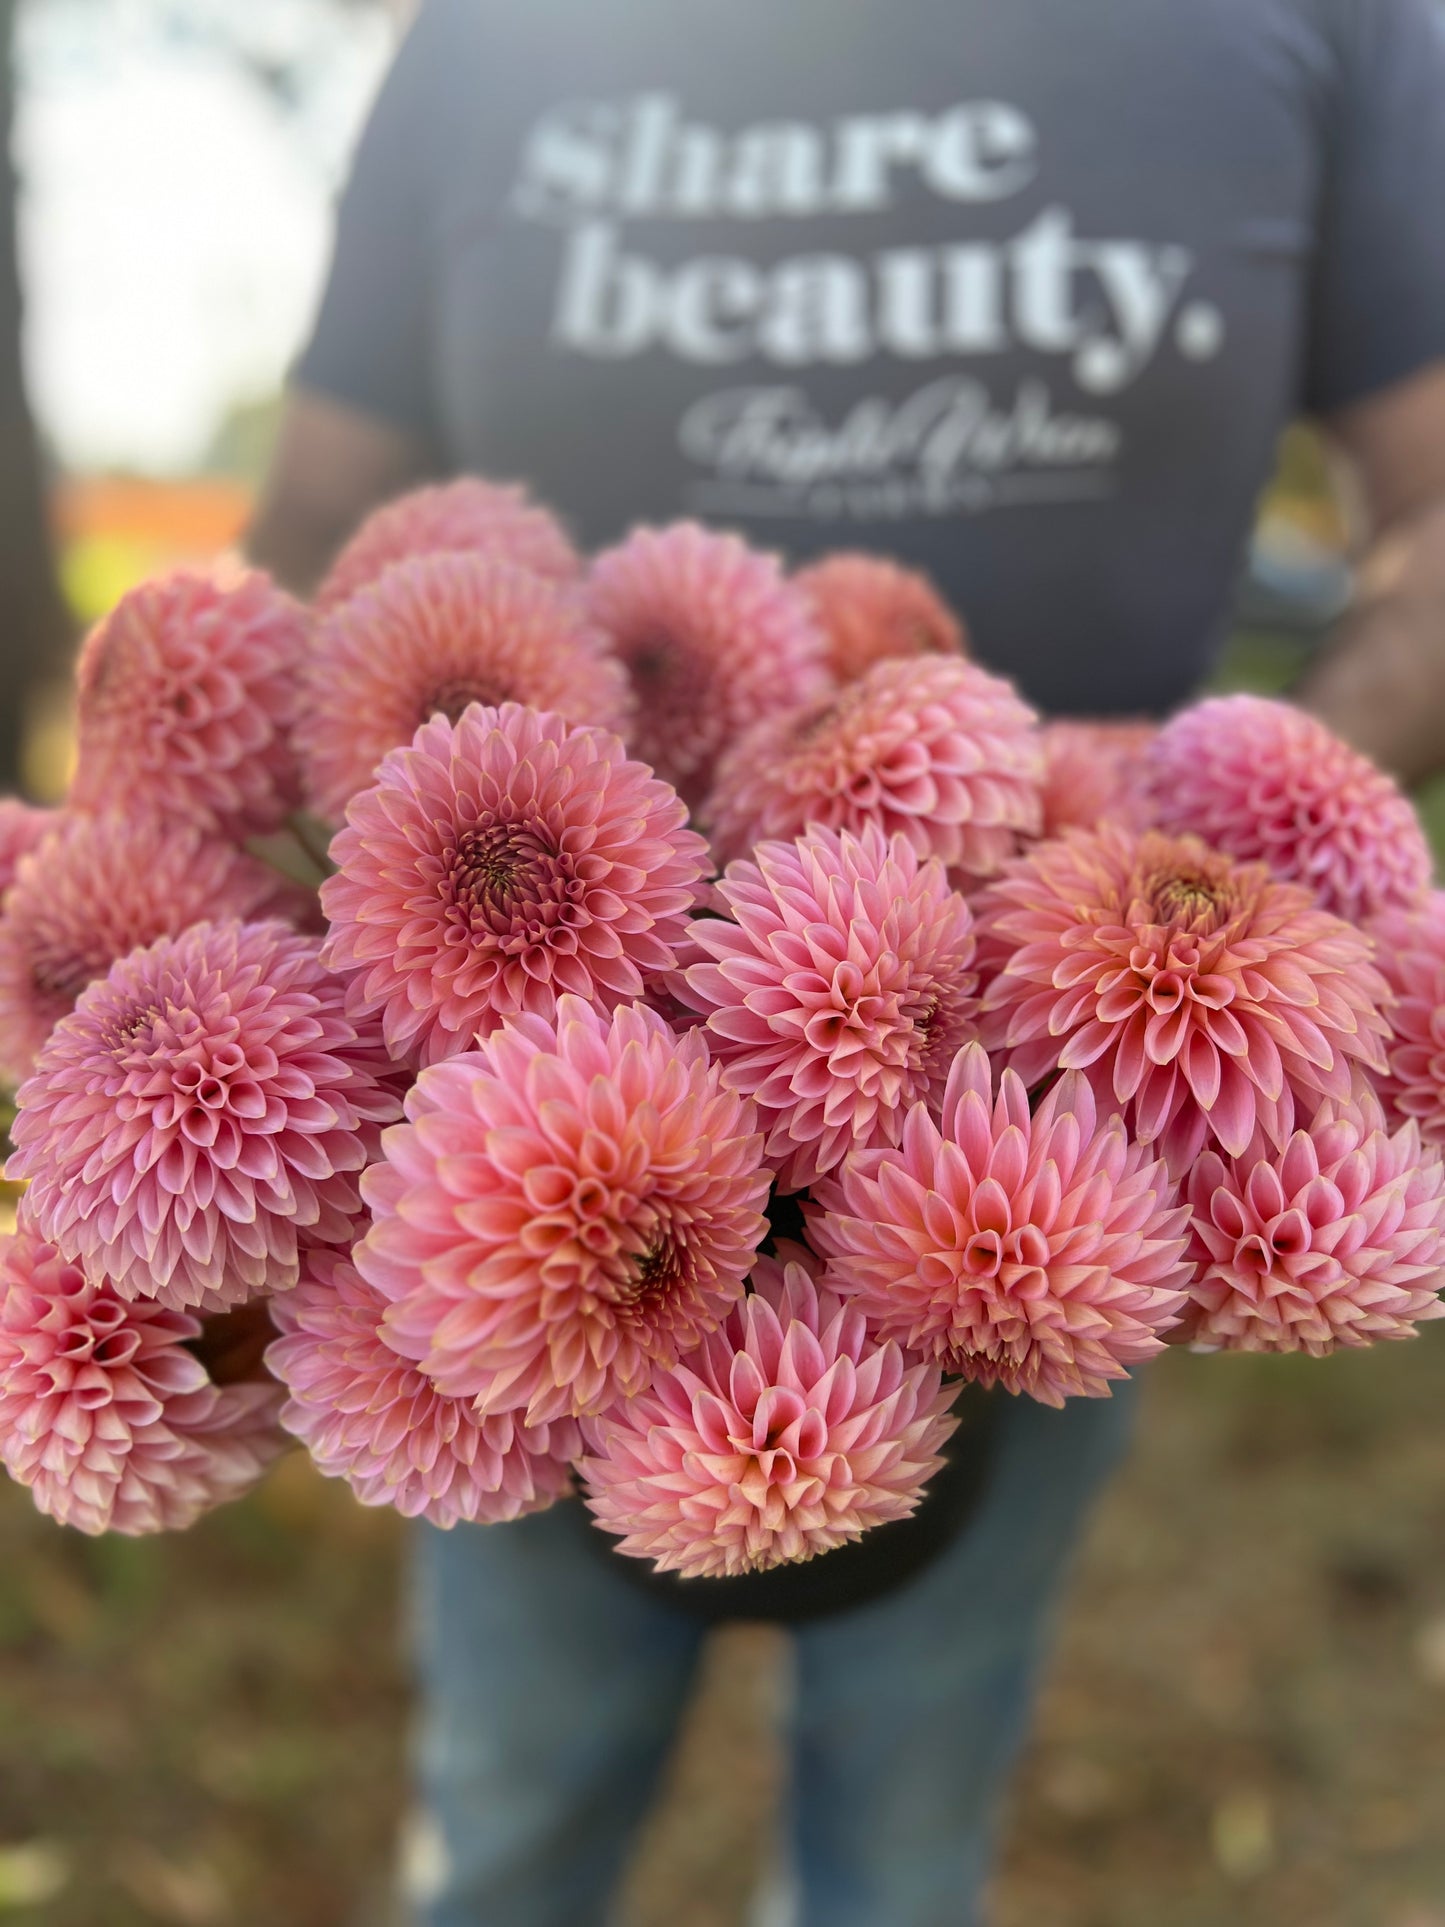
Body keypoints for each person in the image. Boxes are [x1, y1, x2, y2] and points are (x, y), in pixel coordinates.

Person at [249, 4, 1445, 1921]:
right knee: (507, 1806)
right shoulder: (493, 39)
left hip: (1064, 1094)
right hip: (492, 1101)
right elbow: (318, 519)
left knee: (904, 1827)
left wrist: (1233, 836)